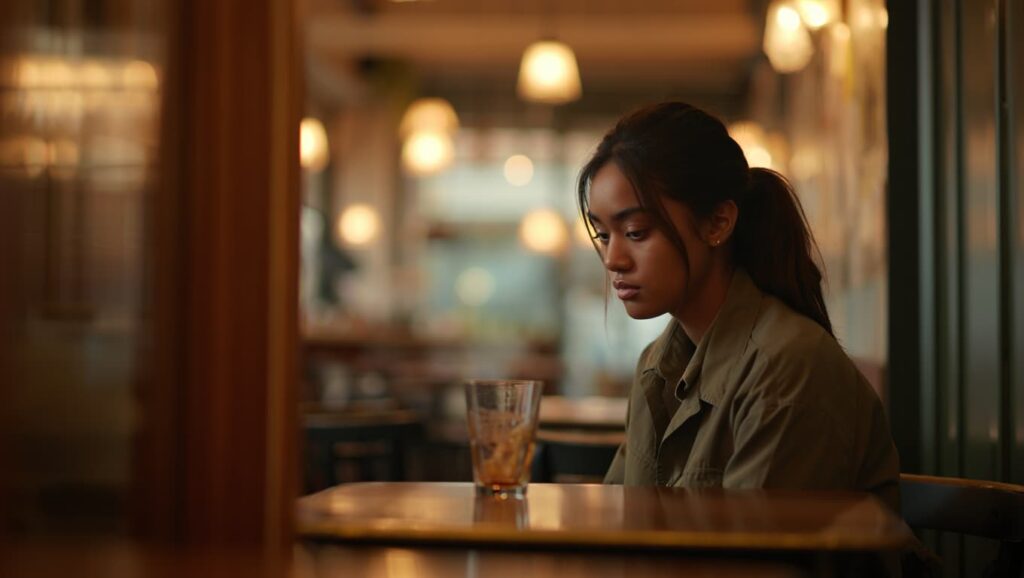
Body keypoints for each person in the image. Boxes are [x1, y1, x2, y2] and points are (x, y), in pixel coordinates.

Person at [578, 102, 901, 513]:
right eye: (604, 235)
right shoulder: (656, 365)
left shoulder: (786, 367)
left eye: (636, 232)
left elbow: (753, 558)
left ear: (717, 224)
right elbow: (620, 518)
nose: (613, 259)